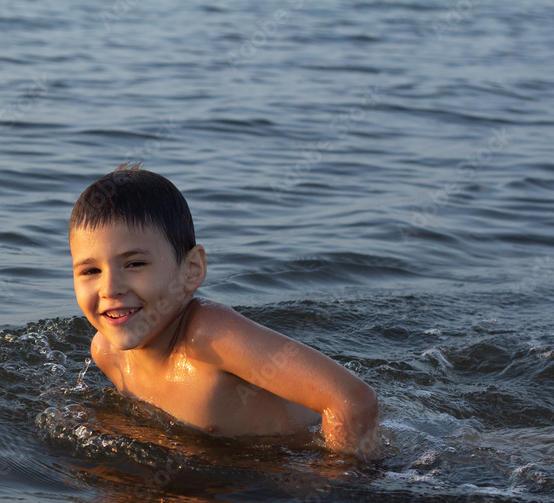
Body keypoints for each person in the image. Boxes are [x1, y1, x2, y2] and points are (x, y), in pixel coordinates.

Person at [69, 164, 379, 458]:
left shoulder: (211, 337)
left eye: (135, 264)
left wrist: (330, 492)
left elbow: (352, 401)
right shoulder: (107, 354)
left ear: (191, 270)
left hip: (295, 462)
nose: (110, 289)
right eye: (90, 271)